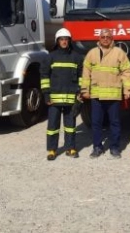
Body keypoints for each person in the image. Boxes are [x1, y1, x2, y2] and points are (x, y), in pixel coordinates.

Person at [80, 29, 130, 159]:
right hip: (96, 96)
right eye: (103, 37)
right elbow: (86, 74)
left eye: (108, 36)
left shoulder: (119, 53)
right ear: (99, 39)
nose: (105, 39)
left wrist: (127, 91)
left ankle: (114, 148)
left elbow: (127, 72)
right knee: (96, 123)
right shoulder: (92, 53)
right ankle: (97, 147)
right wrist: (84, 90)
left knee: (115, 123)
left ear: (112, 38)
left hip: (113, 96)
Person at [40, 28, 84, 161]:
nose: (64, 41)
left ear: (69, 41)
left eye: (66, 39)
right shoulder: (50, 57)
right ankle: (52, 150)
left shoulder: (76, 57)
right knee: (53, 126)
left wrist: (80, 92)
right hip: (54, 99)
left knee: (70, 126)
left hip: (71, 98)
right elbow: (44, 77)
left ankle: (71, 148)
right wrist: (46, 95)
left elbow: (81, 76)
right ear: (57, 41)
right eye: (61, 39)